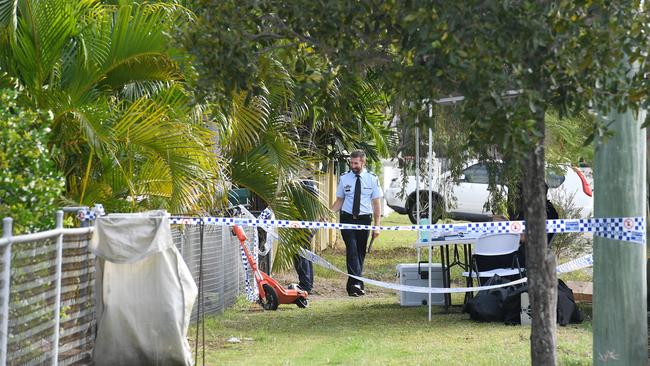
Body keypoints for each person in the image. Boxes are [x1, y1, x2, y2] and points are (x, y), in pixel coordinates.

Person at [331, 150, 382, 297]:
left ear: (363, 162)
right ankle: (357, 284)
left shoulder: (372, 179)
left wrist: (377, 226)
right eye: (351, 163)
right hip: (347, 219)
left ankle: (353, 286)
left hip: (364, 220)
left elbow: (376, 204)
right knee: (352, 250)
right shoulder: (344, 178)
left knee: (360, 253)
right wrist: (329, 214)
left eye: (356, 163)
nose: (353, 166)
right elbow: (339, 200)